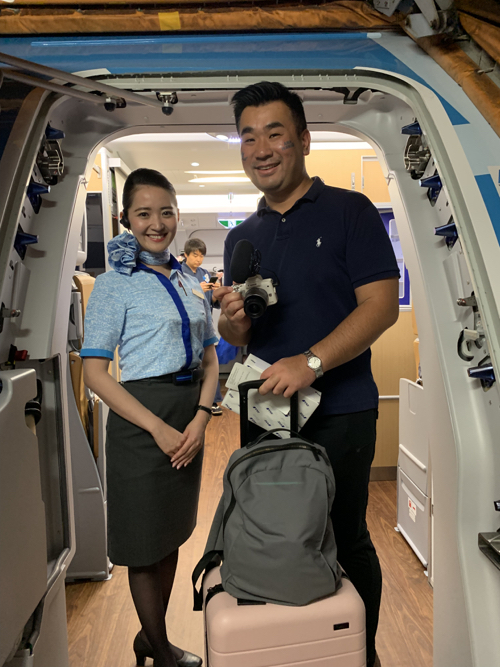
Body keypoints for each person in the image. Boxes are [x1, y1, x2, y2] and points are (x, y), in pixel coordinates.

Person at [215, 82, 400, 667]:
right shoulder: (241, 236)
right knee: (277, 537)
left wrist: (313, 361)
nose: (261, 147)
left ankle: (355, 653)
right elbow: (242, 336)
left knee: (345, 536)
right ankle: (294, 650)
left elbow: (380, 305)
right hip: (267, 413)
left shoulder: (351, 211)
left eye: (275, 133)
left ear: (303, 140)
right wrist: (232, 326)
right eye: (249, 136)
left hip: (342, 408)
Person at [80, 168, 218, 667]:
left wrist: (201, 418)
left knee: (171, 532)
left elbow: (210, 357)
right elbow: (95, 373)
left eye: (166, 212)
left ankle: (149, 637)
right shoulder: (113, 284)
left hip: (189, 416)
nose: (156, 223)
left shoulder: (187, 278)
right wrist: (159, 427)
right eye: (144, 213)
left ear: (178, 215)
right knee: (143, 542)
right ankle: (159, 649)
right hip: (143, 422)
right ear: (125, 219)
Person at [181, 238, 223, 415]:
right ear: (186, 255)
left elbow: (211, 301)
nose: (198, 259)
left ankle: (212, 400)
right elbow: (180, 298)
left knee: (210, 361)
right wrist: (197, 290)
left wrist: (216, 291)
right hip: (187, 322)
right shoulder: (177, 273)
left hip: (205, 322)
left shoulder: (205, 273)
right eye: (195, 255)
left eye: (201, 256)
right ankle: (191, 401)